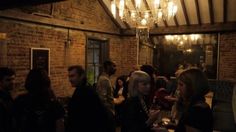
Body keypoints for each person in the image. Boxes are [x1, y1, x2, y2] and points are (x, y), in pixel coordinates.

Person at [66, 65, 114, 132]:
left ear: (82, 76)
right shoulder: (82, 90)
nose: (70, 79)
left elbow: (85, 119)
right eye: (69, 76)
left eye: (72, 76)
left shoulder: (85, 92)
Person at [0, 67, 16, 132]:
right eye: (8, 80)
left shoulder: (9, 95)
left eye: (13, 79)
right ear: (0, 82)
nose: (12, 82)